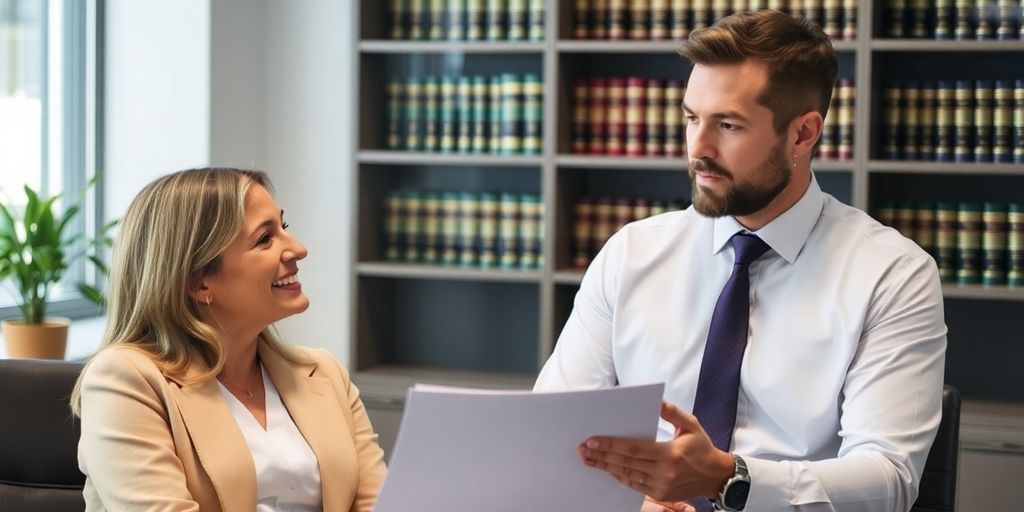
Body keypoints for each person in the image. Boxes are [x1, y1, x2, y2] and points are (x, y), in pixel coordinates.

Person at [534, 10, 946, 512]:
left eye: (727, 125)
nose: (698, 149)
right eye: (691, 118)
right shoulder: (630, 254)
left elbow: (889, 479)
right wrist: (636, 499)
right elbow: (551, 433)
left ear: (802, 134)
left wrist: (729, 479)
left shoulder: (893, 275)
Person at [71, 168, 386, 511]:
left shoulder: (324, 373)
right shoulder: (125, 380)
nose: (297, 249)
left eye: (285, 229)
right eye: (265, 239)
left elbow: (382, 504)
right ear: (199, 283)